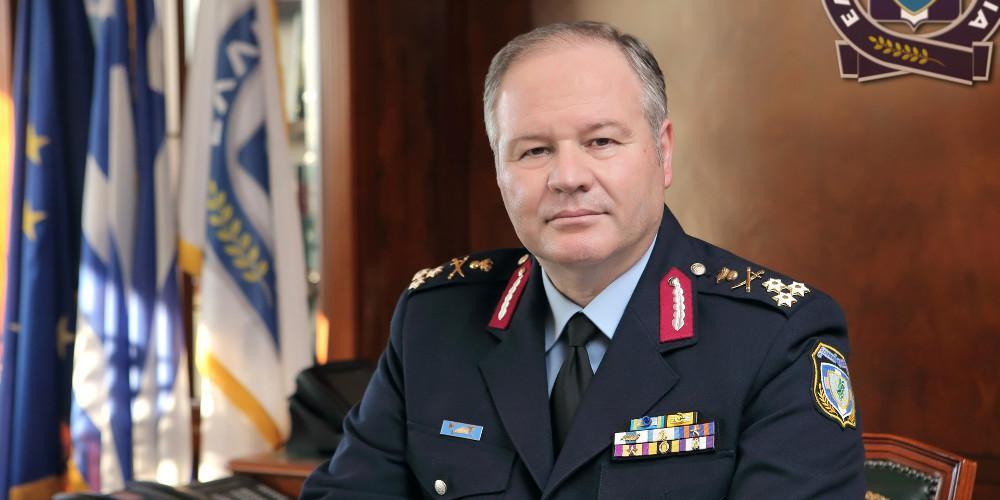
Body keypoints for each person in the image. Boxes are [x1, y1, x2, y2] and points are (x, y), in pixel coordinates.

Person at [301, 21, 865, 499]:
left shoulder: (774, 339)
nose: (568, 177)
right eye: (534, 150)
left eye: (601, 142)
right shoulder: (434, 321)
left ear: (663, 152)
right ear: (499, 171)